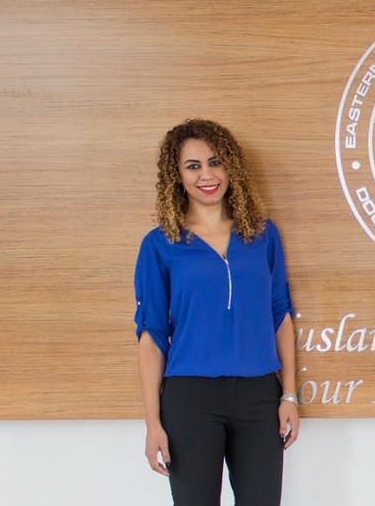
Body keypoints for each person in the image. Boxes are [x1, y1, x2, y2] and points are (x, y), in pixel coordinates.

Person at [134, 118, 299, 505]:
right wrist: (153, 423)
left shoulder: (263, 235)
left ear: (230, 167)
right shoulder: (161, 244)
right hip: (190, 398)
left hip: (259, 396)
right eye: (193, 166)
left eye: (215, 162)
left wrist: (289, 396)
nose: (206, 175)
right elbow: (152, 334)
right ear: (177, 176)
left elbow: (280, 313)